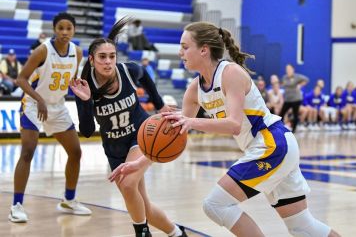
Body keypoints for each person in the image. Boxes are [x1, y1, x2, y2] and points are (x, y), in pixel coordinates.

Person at [109, 22, 340, 237]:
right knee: (303, 226)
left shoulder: (231, 73)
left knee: (215, 204)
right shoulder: (194, 89)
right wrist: (139, 163)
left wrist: (192, 121)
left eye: (185, 46)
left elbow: (233, 124)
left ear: (204, 50)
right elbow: (172, 135)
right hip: (268, 148)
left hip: (272, 143)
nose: (180, 52)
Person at [69, 17, 186, 237]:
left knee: (127, 183)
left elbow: (147, 79)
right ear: (92, 60)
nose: (108, 61)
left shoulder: (128, 71)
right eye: (102, 57)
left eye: (111, 56)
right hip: (114, 148)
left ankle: (142, 233)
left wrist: (159, 105)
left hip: (140, 135)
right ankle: (177, 233)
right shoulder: (85, 88)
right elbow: (85, 131)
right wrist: (85, 101)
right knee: (144, 207)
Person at [9, 12, 91, 223]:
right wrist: (39, 99)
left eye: (68, 28)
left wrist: (81, 91)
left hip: (57, 106)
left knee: (75, 152)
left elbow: (71, 81)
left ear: (74, 30)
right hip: (34, 104)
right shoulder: (42, 50)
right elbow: (21, 79)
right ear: (55, 30)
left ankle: (68, 200)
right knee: (27, 152)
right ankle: (16, 206)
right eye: (60, 28)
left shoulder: (78, 52)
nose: (64, 32)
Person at [280, 64, 309, 132]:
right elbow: (283, 85)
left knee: (295, 113)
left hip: (296, 99)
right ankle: (280, 127)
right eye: (287, 69)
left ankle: (294, 129)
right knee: (282, 113)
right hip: (287, 99)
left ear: (293, 70)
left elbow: (306, 79)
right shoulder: (284, 77)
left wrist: (300, 85)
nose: (288, 70)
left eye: (289, 69)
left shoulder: (297, 76)